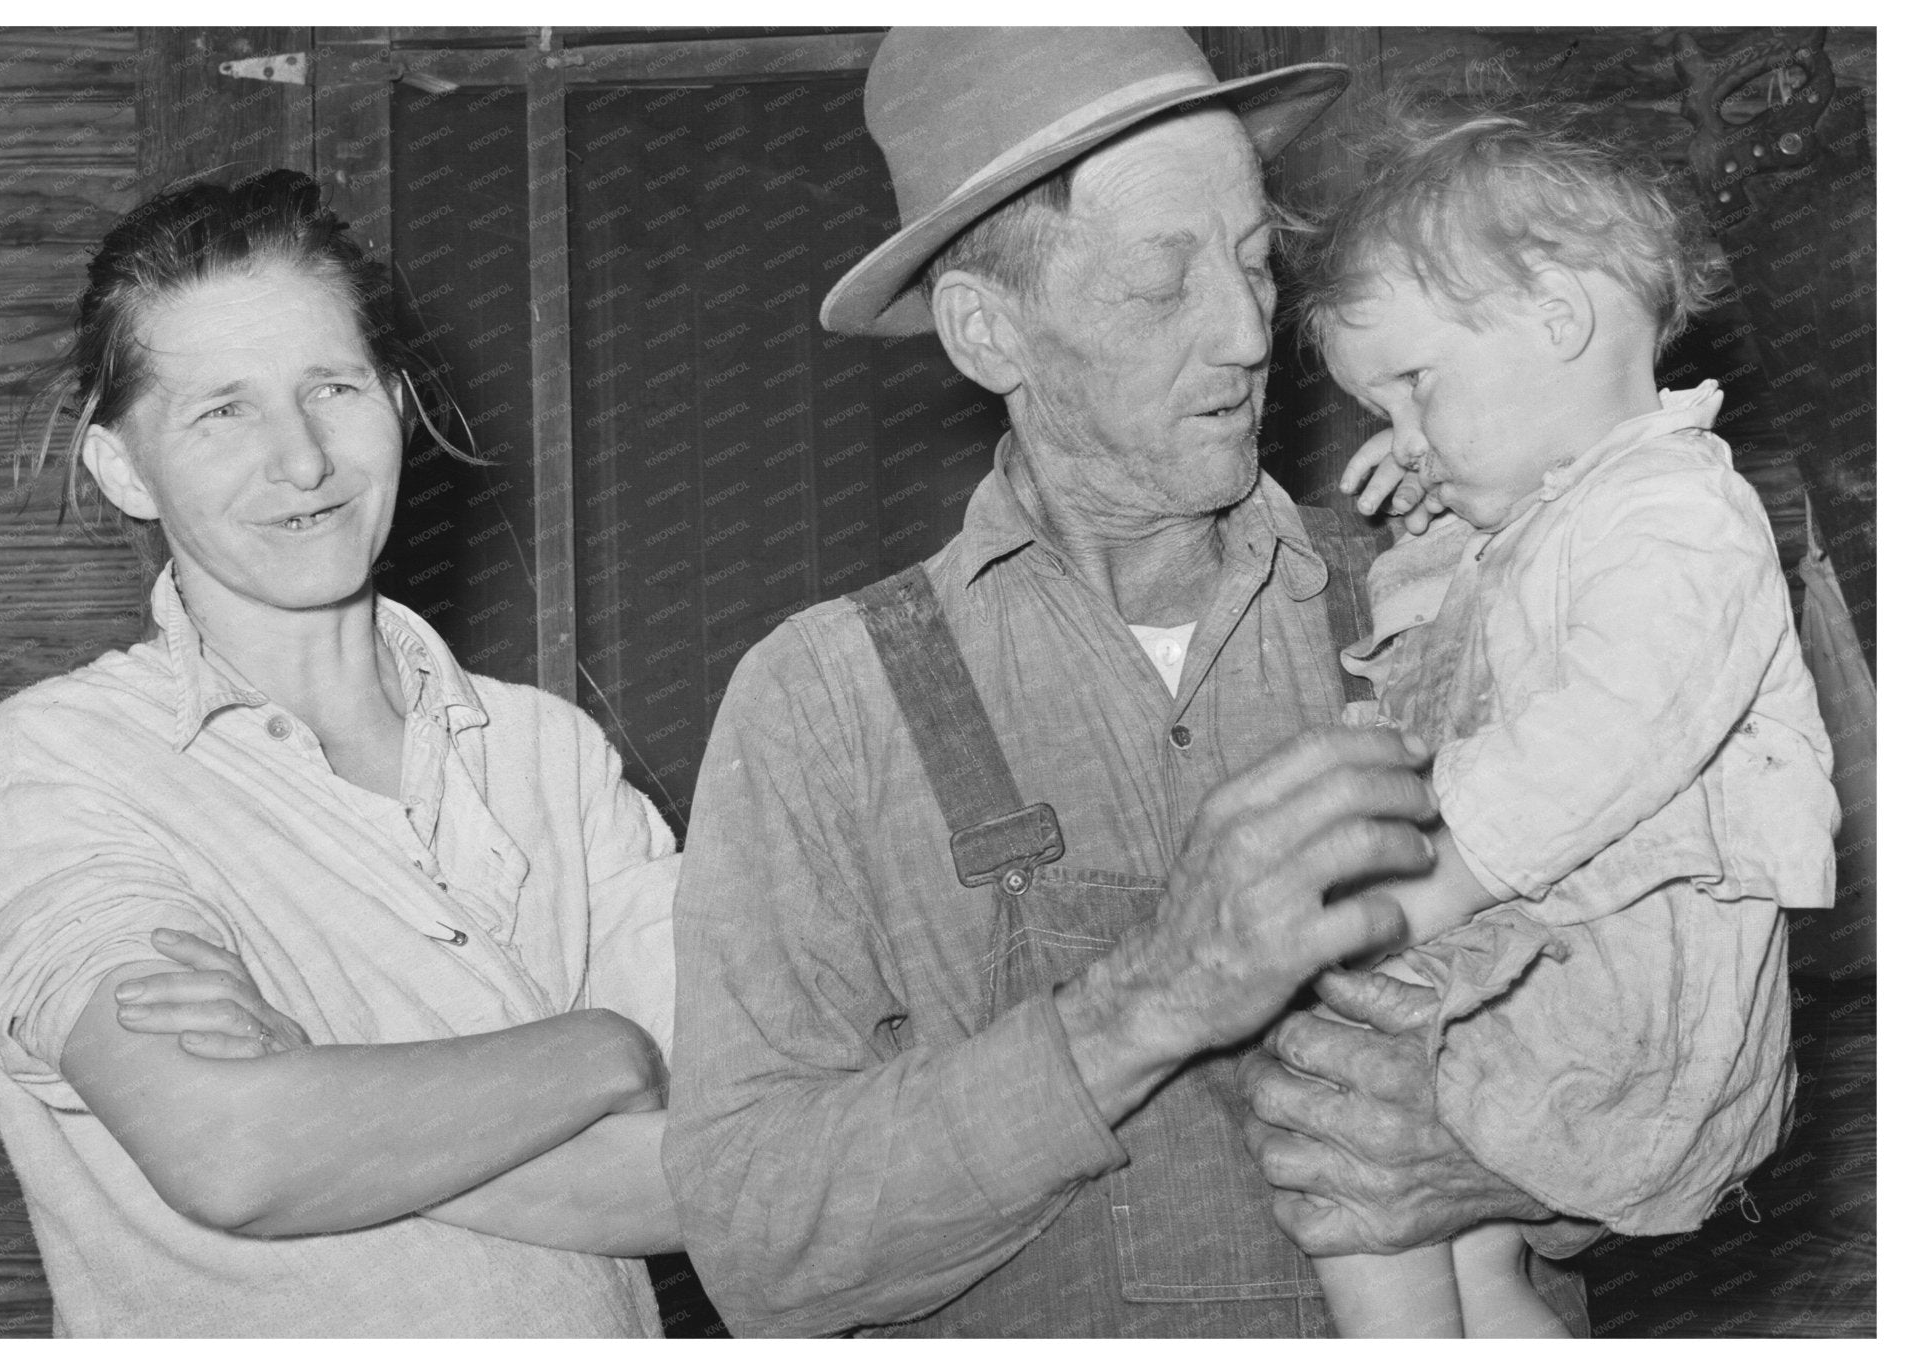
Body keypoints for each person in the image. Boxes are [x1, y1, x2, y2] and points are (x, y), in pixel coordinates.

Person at [664, 29, 1591, 1337]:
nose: (1247, 333)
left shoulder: (1448, 594)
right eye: (1163, 283)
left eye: (1256, 259)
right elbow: (758, 1245)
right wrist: (1149, 997)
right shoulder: (825, 703)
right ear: (989, 331)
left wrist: (1507, 1162)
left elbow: (1712, 1074)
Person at [0, 170, 682, 1336]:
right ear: (125, 469)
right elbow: (233, 1152)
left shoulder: (550, 754)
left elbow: (706, 1179)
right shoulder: (60, 763)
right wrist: (605, 1049)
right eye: (221, 412)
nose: (301, 461)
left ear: (395, 403)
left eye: (330, 388)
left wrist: (329, 1091)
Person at [1275, 108, 1839, 1336]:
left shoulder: (1680, 519)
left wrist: (1433, 885)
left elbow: (1596, 744)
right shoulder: (1563, 520)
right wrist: (1432, 548)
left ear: (1554, 318)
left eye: (1412, 389)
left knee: (1336, 1126)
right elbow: (1446, 687)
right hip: (1560, 969)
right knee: (1474, 1268)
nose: (1402, 439)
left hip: (1625, 1008)